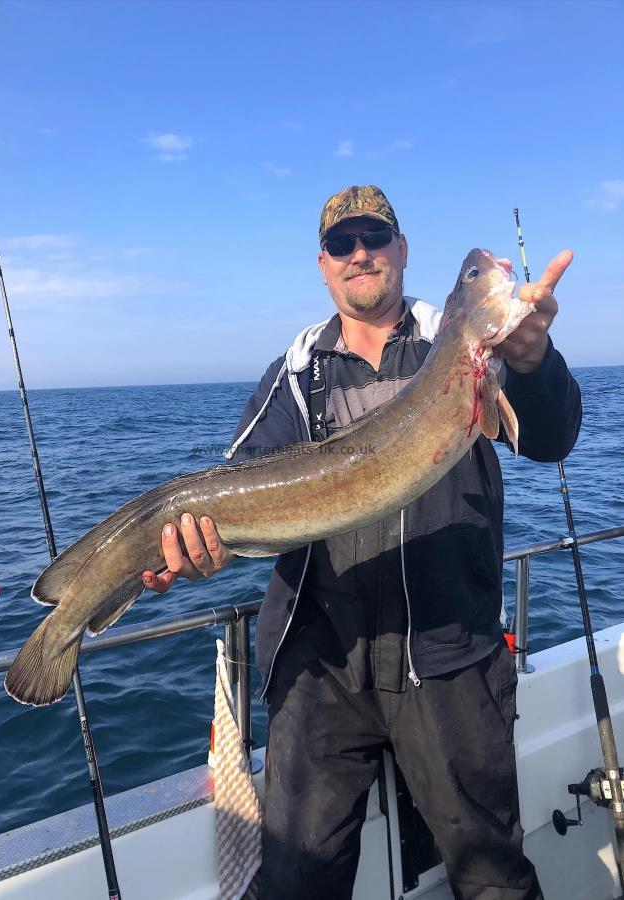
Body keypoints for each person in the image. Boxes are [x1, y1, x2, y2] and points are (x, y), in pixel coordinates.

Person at [142, 186, 582, 899]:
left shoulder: (466, 344)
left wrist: (532, 361)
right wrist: (185, 550)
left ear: (401, 250)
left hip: (447, 659)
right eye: (341, 244)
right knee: (295, 884)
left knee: (492, 877)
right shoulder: (295, 370)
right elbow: (241, 486)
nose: (359, 254)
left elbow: (552, 437)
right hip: (320, 667)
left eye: (373, 237)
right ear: (322, 265)